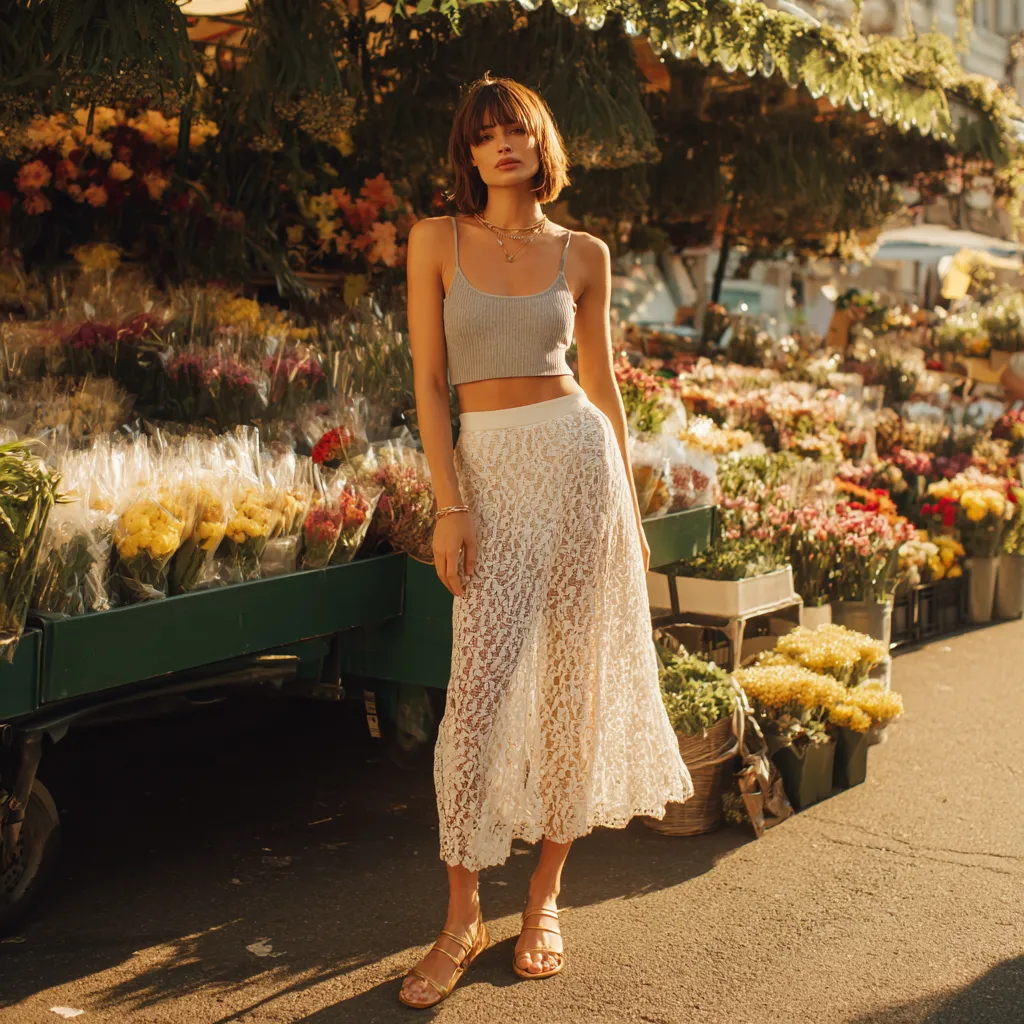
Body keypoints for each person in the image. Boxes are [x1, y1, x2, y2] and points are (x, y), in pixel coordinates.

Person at [399, 76, 693, 1010]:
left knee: (572, 690)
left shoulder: (584, 252)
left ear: (540, 144)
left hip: (579, 469)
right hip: (488, 475)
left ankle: (545, 897)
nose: (501, 145)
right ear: (468, 154)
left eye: (516, 129)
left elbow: (602, 386)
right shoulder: (435, 241)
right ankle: (461, 916)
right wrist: (450, 505)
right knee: (475, 701)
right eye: (484, 134)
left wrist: (632, 517)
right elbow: (430, 383)